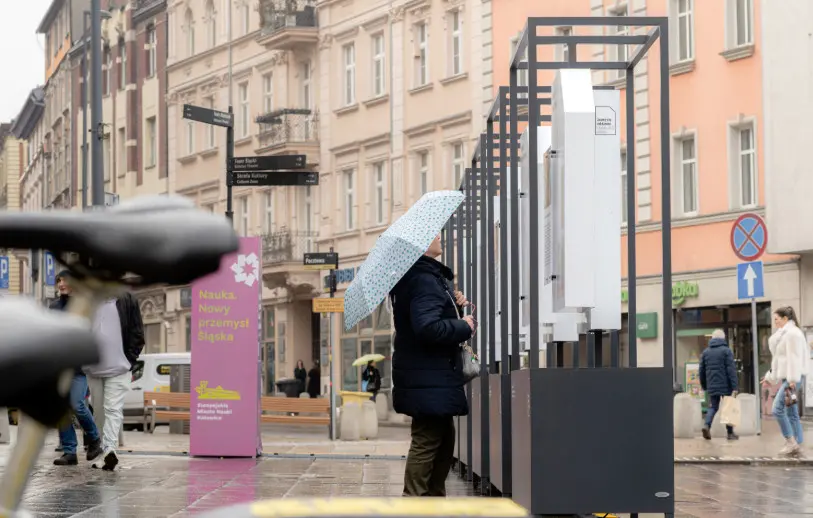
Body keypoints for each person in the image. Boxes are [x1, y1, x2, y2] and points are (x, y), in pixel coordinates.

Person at [390, 233, 476, 497]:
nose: (439, 237)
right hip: (428, 376)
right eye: (433, 234)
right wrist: (465, 325)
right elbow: (427, 327)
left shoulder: (424, 278)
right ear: (420, 244)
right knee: (427, 440)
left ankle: (431, 501)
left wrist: (454, 303)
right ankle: (415, 502)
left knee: (442, 440)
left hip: (430, 375)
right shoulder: (423, 280)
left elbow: (429, 317)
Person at [84, 290, 144, 471]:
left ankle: (110, 450)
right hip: (93, 368)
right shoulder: (88, 298)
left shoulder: (127, 299)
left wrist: (129, 360)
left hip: (119, 368)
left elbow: (137, 331)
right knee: (99, 412)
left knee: (113, 409)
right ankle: (104, 452)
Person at [50, 270, 104, 466]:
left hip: (79, 368)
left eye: (65, 280)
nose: (61, 284)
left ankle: (94, 438)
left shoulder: (85, 306)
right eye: (59, 281)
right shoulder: (54, 306)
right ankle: (69, 451)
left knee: (77, 405)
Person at [763, 306, 808, 456]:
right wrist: (770, 376)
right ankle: (797, 443)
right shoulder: (784, 335)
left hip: (792, 378)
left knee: (777, 409)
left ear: (785, 319)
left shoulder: (792, 334)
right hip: (788, 377)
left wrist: (792, 380)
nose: (774, 322)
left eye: (776, 319)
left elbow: (793, 359)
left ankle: (790, 441)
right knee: (791, 412)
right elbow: (780, 360)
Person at [698, 329, 739, 441]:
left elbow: (701, 370)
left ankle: (707, 425)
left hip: (712, 385)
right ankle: (730, 433)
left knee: (713, 407)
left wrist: (704, 385)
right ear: (723, 338)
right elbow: (731, 370)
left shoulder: (706, 352)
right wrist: (735, 386)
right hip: (726, 386)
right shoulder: (726, 351)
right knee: (728, 408)